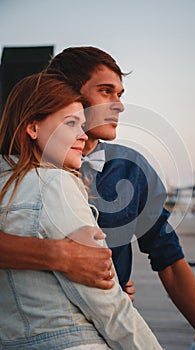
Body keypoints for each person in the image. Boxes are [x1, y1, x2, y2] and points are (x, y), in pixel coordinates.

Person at [0, 47, 195, 350]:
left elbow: (170, 260)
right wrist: (61, 256)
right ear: (69, 92)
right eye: (106, 91)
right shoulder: (15, 173)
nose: (119, 105)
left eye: (120, 93)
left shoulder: (131, 169)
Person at [0, 72, 163, 350]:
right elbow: (109, 309)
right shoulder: (55, 183)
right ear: (33, 128)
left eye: (83, 124)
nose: (82, 135)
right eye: (71, 123)